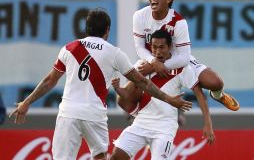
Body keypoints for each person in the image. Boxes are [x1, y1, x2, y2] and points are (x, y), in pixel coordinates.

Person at [9, 9, 192, 160]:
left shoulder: (69, 48)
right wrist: (168, 98)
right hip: (94, 114)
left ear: (86, 28)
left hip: (68, 114)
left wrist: (26, 102)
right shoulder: (114, 53)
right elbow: (142, 82)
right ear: (107, 30)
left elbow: (50, 81)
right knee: (100, 156)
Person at [133, 0, 240, 111]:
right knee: (129, 87)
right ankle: (136, 115)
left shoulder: (178, 22)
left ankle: (218, 96)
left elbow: (184, 57)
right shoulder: (139, 16)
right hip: (151, 59)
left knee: (215, 82)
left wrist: (163, 66)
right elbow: (139, 48)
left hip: (175, 59)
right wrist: (153, 61)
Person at [110, 30, 215, 160]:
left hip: (164, 128)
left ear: (170, 47)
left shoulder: (182, 68)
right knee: (116, 157)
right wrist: (119, 88)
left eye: (161, 47)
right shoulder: (141, 65)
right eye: (154, 47)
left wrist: (208, 123)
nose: (158, 51)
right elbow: (126, 95)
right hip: (141, 123)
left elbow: (199, 95)